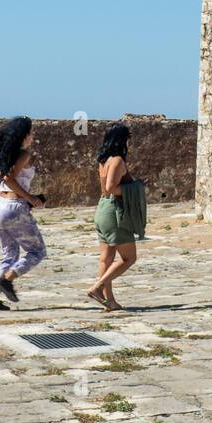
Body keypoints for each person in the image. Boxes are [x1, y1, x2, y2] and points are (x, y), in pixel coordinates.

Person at [0, 117, 47, 312]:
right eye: (31, 132)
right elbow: (9, 178)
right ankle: (7, 279)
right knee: (37, 251)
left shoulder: (4, 155)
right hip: (15, 207)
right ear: (24, 135)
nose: (33, 135)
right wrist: (30, 198)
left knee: (9, 254)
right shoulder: (23, 155)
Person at [88, 123, 138, 311]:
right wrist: (134, 188)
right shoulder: (117, 160)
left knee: (106, 259)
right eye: (128, 137)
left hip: (102, 210)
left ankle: (110, 302)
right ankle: (97, 287)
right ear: (122, 140)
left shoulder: (104, 161)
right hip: (114, 212)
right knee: (128, 258)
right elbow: (110, 188)